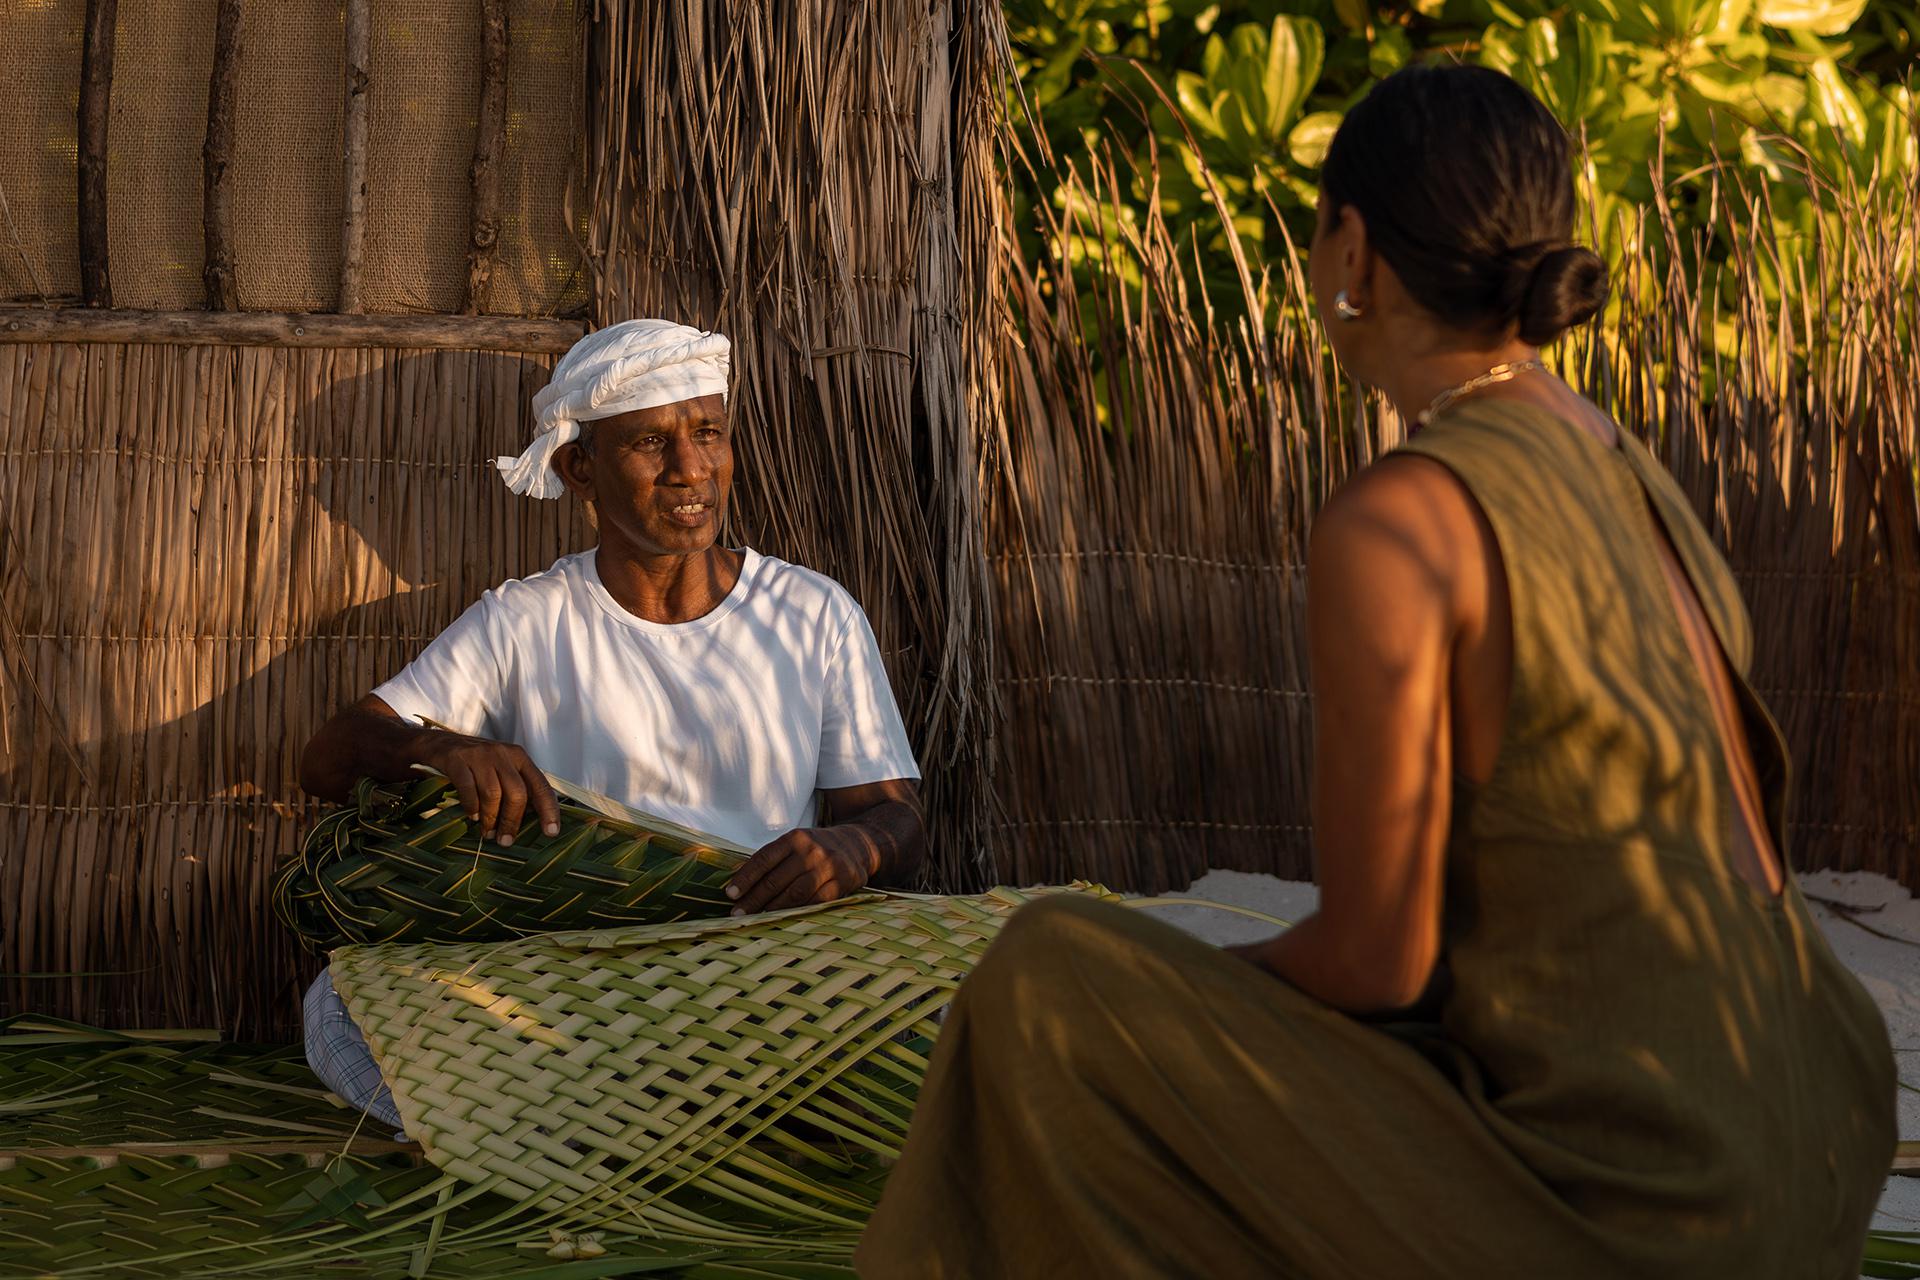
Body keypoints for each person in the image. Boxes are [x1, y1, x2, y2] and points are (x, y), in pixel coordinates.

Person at [855, 65, 1896, 1279]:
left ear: (1352, 251)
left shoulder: (1404, 519)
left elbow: (1375, 961)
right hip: (1816, 1122)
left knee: (1050, 973)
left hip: (1654, 1191)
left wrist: (1191, 1002)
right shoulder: (1616, 459)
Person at [297, 319, 925, 1132]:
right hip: (579, 994)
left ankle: (580, 1140)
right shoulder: (525, 623)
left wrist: (856, 846)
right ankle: (646, 1133)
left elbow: (898, 815)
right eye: (650, 444)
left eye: (707, 434)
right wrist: (437, 746)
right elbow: (326, 760)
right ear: (580, 469)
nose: (690, 469)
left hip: (767, 977)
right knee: (338, 1009)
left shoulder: (811, 614)